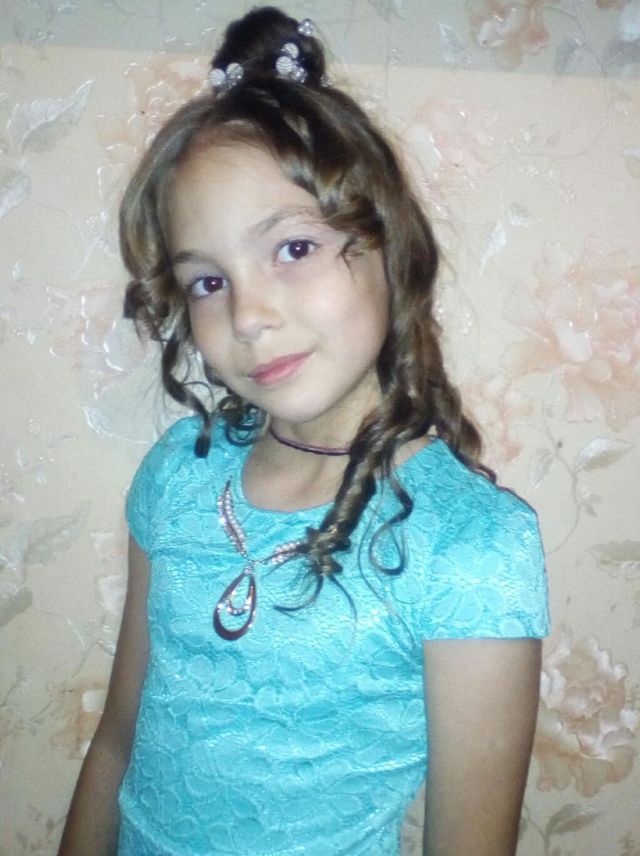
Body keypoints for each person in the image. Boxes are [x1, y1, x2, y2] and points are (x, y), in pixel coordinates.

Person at [58, 6, 549, 855]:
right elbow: (115, 745)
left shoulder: (471, 546)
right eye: (208, 281)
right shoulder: (178, 475)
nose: (248, 315)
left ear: (388, 242)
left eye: (292, 249)